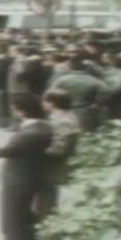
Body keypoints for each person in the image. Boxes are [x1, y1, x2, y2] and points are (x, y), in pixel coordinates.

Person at [0, 94, 53, 240]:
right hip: (29, 175)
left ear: (21, 110)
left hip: (18, 178)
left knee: (13, 216)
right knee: (24, 215)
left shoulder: (30, 132)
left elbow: (9, 150)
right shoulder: (43, 127)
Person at [34, 91, 79, 219]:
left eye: (44, 101)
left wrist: (38, 154)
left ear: (52, 103)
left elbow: (58, 147)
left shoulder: (60, 121)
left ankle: (44, 220)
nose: (42, 104)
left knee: (46, 194)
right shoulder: (69, 116)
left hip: (52, 163)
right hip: (58, 162)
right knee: (49, 192)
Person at [48, 56, 107, 133]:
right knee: (86, 133)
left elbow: (51, 93)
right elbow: (105, 91)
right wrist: (97, 102)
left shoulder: (61, 80)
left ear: (70, 67)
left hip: (64, 111)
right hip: (86, 111)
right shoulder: (93, 80)